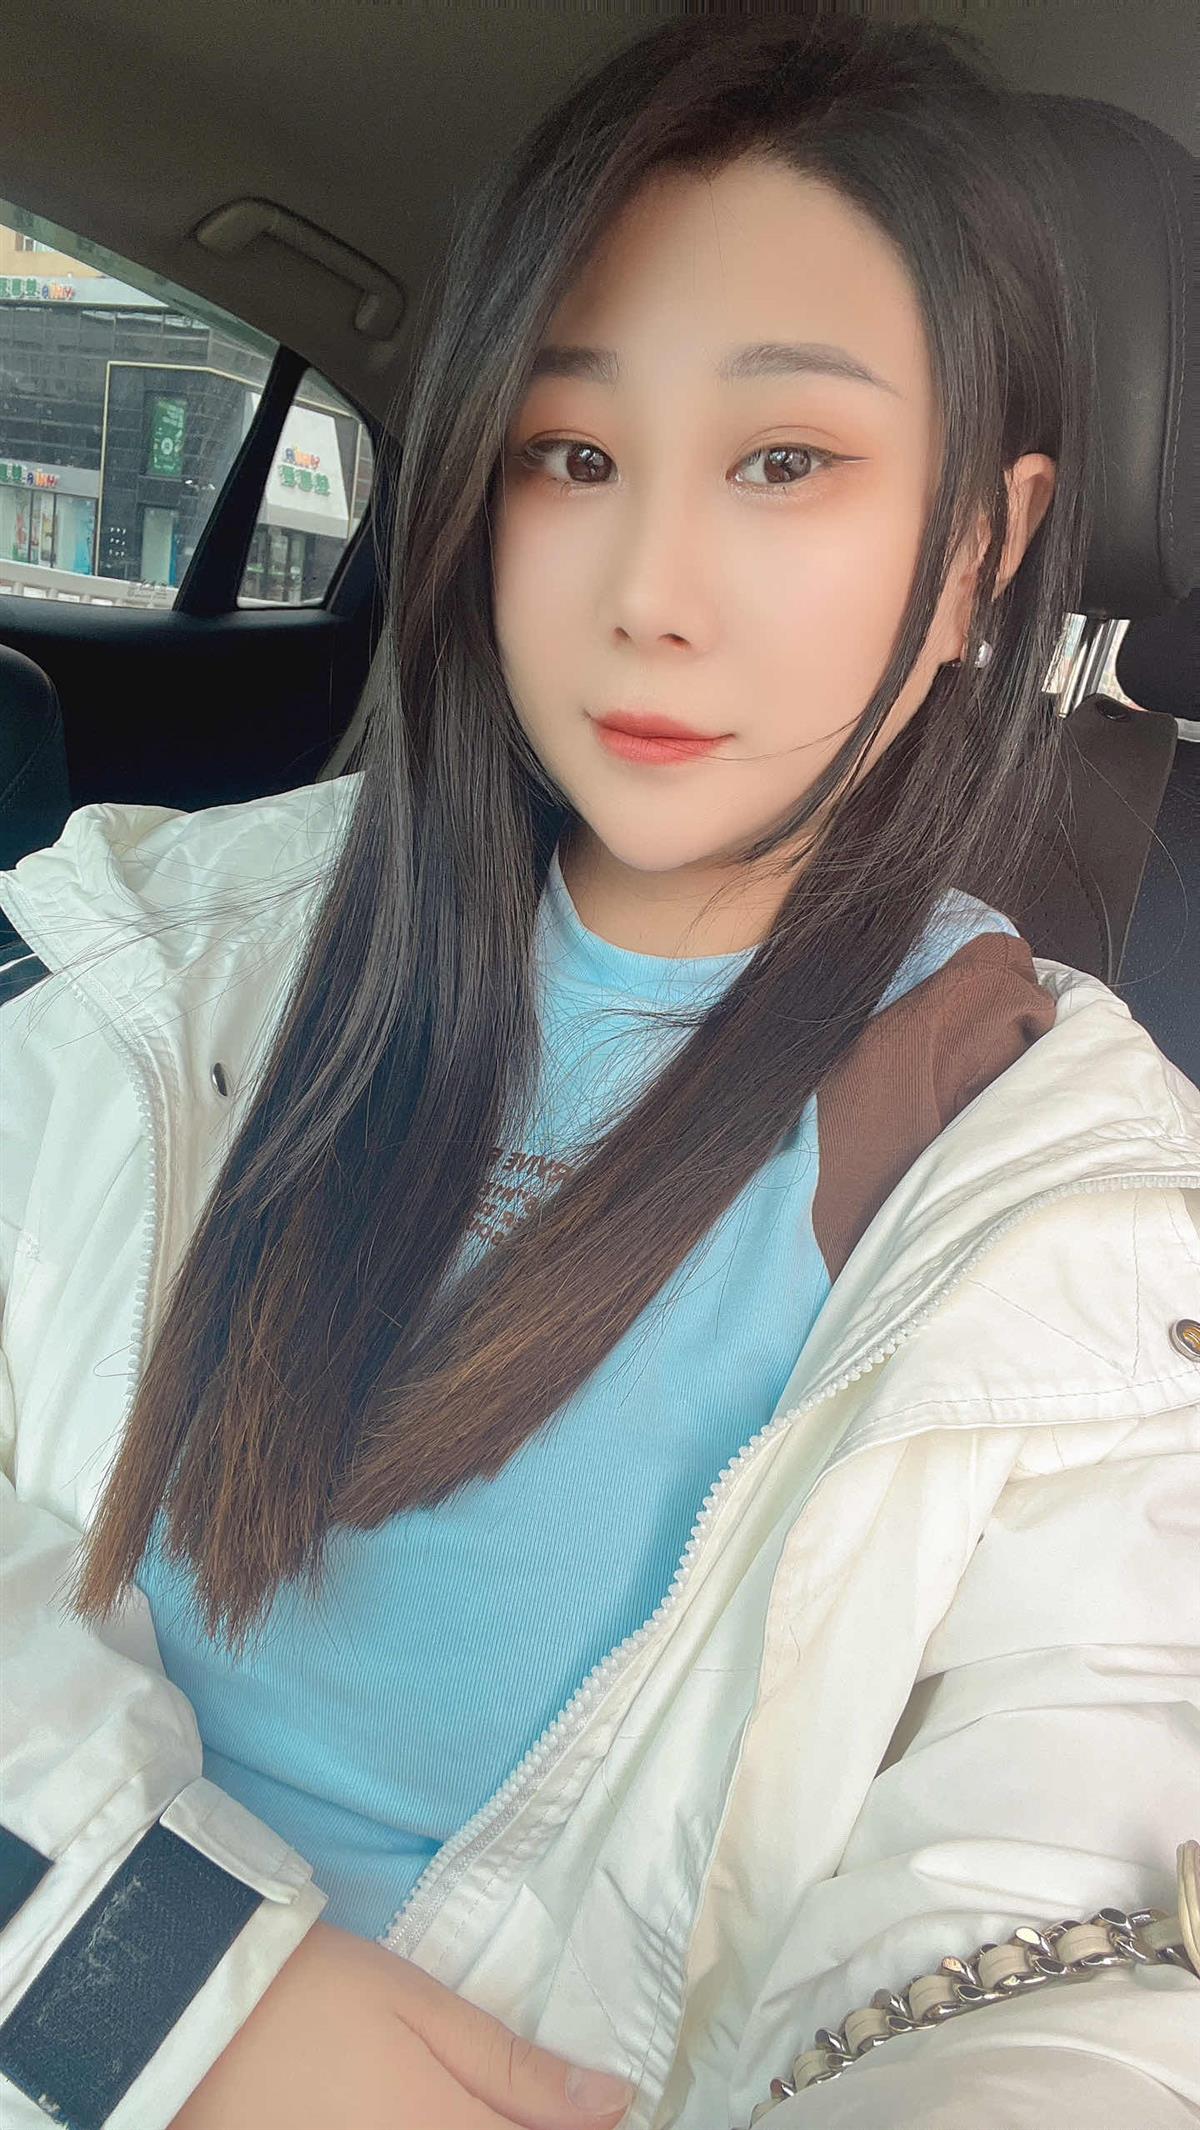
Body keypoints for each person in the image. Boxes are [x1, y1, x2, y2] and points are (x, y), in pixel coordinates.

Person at [1, 15, 1197, 2130]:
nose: (650, 595)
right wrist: (147, 1985)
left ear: (982, 557)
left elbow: (1062, 1942)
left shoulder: (1077, 1224)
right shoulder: (161, 957)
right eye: (570, 454)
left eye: (787, 462)